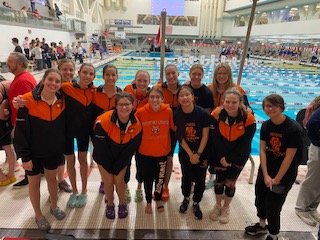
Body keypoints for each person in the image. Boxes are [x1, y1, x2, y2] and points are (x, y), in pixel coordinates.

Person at [245, 94, 303, 240]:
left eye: (273, 106)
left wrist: (276, 179)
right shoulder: (266, 125)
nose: (270, 109)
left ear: (281, 107)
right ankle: (262, 225)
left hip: (284, 174)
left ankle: (273, 234)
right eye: (267, 106)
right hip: (267, 169)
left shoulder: (293, 129)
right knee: (260, 199)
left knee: (273, 206)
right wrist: (265, 174)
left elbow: (289, 158)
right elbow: (263, 151)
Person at [14, 69, 66, 231]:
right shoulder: (27, 100)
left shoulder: (62, 100)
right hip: (33, 153)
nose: (53, 83)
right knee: (34, 183)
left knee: (52, 179)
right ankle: (38, 214)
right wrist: (24, 157)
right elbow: (20, 132)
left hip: (52, 151)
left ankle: (54, 206)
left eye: (57, 81)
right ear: (43, 80)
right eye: (50, 79)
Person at [209, 87, 256, 224]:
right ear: (223, 102)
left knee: (230, 183)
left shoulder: (249, 119)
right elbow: (215, 138)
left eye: (234, 102)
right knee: (219, 181)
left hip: (239, 156)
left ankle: (226, 207)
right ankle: (217, 206)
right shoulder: (216, 115)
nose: (230, 105)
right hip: (219, 154)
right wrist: (222, 157)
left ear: (240, 102)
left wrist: (229, 159)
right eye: (227, 102)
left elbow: (245, 143)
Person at [93, 92, 142, 219]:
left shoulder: (136, 124)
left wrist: (118, 165)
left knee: (119, 181)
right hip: (103, 155)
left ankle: (122, 203)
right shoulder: (103, 121)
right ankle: (110, 204)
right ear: (115, 106)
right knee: (109, 182)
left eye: (127, 104)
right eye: (121, 104)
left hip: (122, 155)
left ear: (133, 105)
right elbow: (100, 147)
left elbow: (131, 149)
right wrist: (110, 166)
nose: (124, 107)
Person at [206, 62, 251, 190]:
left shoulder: (238, 89)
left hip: (231, 129)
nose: (221, 76)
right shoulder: (210, 88)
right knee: (214, 156)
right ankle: (214, 178)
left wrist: (248, 110)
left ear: (229, 75)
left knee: (227, 155)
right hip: (214, 128)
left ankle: (222, 180)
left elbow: (247, 107)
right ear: (215, 75)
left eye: (224, 73)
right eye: (219, 73)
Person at [135, 87, 175, 214]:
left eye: (158, 97)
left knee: (160, 179)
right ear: (148, 98)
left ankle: (157, 199)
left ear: (163, 99)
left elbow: (174, 128)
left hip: (162, 153)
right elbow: (135, 131)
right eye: (152, 97)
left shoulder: (168, 111)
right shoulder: (140, 112)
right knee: (148, 178)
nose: (155, 99)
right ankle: (148, 201)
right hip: (145, 152)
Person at [174, 85, 210, 220]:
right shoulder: (177, 114)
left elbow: (205, 135)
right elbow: (180, 137)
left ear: (193, 97)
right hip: (186, 152)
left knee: (200, 178)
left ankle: (196, 202)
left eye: (187, 95)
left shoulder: (202, 113)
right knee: (186, 176)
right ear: (178, 99)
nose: (184, 97)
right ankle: (186, 198)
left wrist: (198, 154)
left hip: (202, 152)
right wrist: (190, 154)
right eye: (181, 95)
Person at [63, 63, 96, 208]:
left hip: (84, 131)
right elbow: (42, 89)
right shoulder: (66, 87)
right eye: (85, 73)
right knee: (70, 161)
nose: (87, 76)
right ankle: (74, 191)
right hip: (66, 130)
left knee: (83, 160)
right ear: (79, 73)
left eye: (90, 74)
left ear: (94, 76)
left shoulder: (95, 91)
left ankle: (84, 190)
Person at [7, 52, 37, 188]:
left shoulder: (23, 81)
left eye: (10, 61)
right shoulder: (21, 78)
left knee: (26, 149)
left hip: (23, 124)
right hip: (21, 122)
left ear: (19, 64)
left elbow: (26, 107)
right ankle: (29, 174)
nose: (7, 64)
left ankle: (30, 175)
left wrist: (16, 127)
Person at [93, 64, 122, 195]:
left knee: (113, 158)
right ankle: (103, 181)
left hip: (115, 133)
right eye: (107, 75)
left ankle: (113, 181)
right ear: (103, 76)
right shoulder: (95, 92)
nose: (110, 77)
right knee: (101, 159)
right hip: (99, 134)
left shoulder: (121, 94)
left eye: (113, 75)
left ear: (117, 76)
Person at [155, 64, 181, 201]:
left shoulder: (183, 90)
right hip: (160, 128)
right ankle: (157, 185)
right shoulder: (159, 89)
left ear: (178, 74)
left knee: (169, 158)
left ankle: (165, 186)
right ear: (165, 76)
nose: (171, 76)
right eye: (168, 74)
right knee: (157, 158)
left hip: (174, 130)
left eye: (173, 73)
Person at [124, 70, 151, 203]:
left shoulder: (152, 96)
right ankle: (126, 187)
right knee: (126, 163)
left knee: (141, 164)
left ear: (149, 82)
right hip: (128, 135)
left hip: (143, 137)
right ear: (134, 81)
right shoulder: (127, 91)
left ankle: (139, 188)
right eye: (139, 80)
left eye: (145, 81)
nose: (142, 83)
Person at [295, 96, 320, 226]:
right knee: (312, 180)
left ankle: (312, 208)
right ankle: (301, 208)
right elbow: (312, 125)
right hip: (318, 149)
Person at [0, 78, 17, 186]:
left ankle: (2, 178)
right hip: (6, 124)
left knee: (9, 149)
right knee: (9, 148)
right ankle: (11, 175)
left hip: (1, 122)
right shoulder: (8, 83)